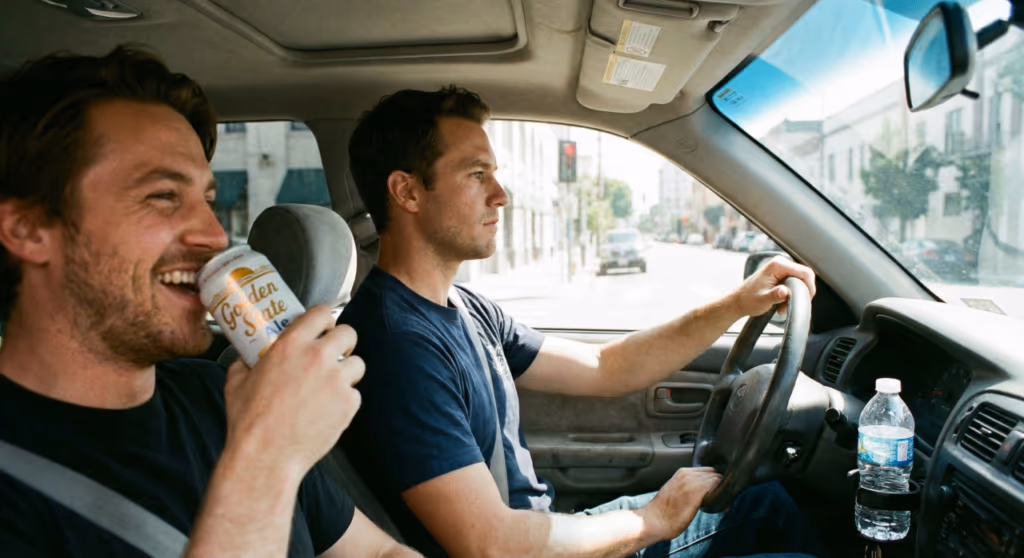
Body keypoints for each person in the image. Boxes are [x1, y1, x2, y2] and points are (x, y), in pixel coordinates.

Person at [339, 86, 826, 558]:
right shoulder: (396, 344)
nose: (501, 194)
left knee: (765, 502)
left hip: (544, 531)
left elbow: (604, 365)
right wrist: (651, 520)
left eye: (494, 173)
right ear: (407, 191)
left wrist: (736, 304)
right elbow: (490, 545)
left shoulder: (465, 308)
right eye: (476, 174)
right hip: (523, 546)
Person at [0, 47, 420, 558]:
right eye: (162, 196)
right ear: (27, 229)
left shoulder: (219, 396)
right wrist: (267, 459)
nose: (215, 235)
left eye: (207, 200)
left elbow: (380, 553)